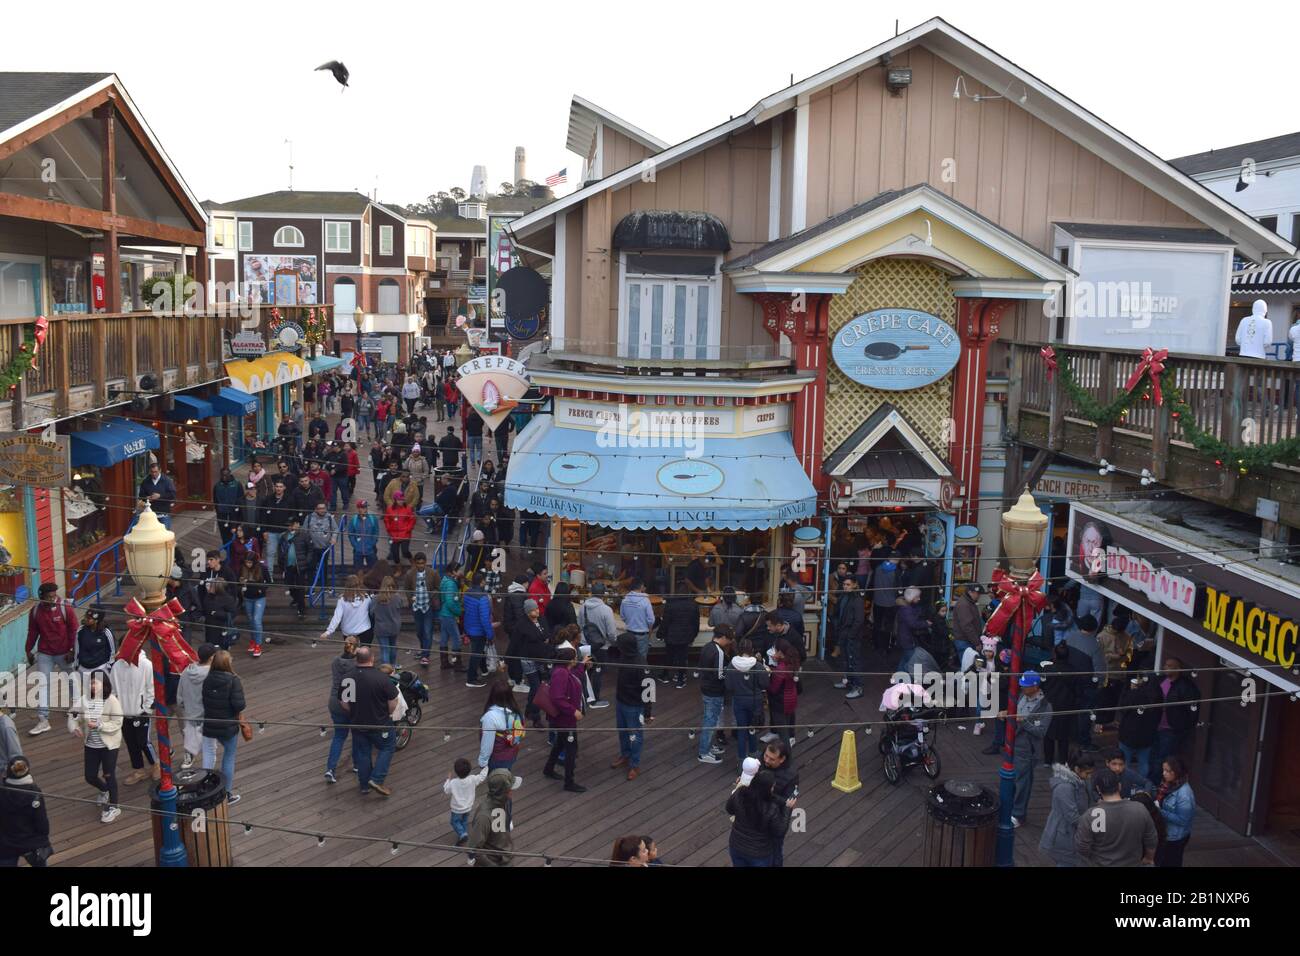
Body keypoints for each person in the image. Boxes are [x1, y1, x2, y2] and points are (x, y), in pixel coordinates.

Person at [67, 669, 123, 824]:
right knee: (89, 776)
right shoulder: (85, 700)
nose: (93, 685)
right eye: (91, 682)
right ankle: (104, 790)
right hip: (91, 745)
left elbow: (118, 722)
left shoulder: (112, 701)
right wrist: (74, 727)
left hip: (109, 745)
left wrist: (100, 725)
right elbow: (72, 715)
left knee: (109, 774)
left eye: (96, 682)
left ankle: (114, 806)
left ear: (104, 684)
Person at [342, 646, 398, 797]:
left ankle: (364, 785)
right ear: (372, 658)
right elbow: (393, 700)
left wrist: (354, 712)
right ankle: (377, 779)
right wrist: (388, 713)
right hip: (379, 722)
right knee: (388, 746)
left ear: (356, 659)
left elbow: (344, 703)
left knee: (363, 753)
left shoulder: (348, 678)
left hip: (357, 722)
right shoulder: (382, 678)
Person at [1074, 768, 1158, 867]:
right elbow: (1151, 839)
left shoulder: (1090, 816)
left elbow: (1082, 847)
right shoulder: (1140, 809)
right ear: (1119, 786)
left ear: (1098, 789)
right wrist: (1149, 858)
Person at [25, 582, 78, 735]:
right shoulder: (35, 612)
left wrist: (72, 650)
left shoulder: (65, 607)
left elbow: (74, 629)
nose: (52, 599)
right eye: (49, 597)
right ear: (41, 597)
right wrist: (28, 650)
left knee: (71, 678)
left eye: (54, 596)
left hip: (64, 652)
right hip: (45, 653)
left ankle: (75, 707)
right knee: (42, 683)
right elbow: (32, 632)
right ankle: (43, 719)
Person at [1007, 671, 1052, 827]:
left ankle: (1018, 814)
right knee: (1011, 779)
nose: (1022, 688)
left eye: (1025, 686)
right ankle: (1009, 808)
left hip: (1027, 750)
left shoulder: (1046, 707)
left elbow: (1041, 732)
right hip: (1013, 744)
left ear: (1035, 686)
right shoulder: (1020, 696)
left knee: (1023, 783)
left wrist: (1023, 721)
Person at [201, 650, 246, 804]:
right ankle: (226, 794)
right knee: (228, 757)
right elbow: (239, 705)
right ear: (227, 663)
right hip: (227, 726)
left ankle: (204, 787)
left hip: (209, 723)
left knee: (208, 754)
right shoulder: (233, 680)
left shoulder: (207, 679)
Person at [109, 643, 157, 786]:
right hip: (123, 714)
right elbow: (112, 690)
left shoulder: (146, 665)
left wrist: (146, 709)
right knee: (131, 743)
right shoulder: (117, 667)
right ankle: (139, 770)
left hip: (140, 712)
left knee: (144, 741)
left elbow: (151, 688)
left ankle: (156, 764)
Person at [541, 646, 587, 792]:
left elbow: (574, 676)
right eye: (574, 658)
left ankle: (548, 769)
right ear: (569, 660)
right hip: (565, 719)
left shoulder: (563, 670)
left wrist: (582, 665)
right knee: (571, 749)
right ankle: (569, 782)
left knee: (560, 744)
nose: (576, 660)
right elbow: (557, 697)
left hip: (563, 718)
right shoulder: (560, 673)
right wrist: (573, 711)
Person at [1039, 751, 1096, 866]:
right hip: (1064, 835)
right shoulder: (1064, 788)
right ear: (1076, 769)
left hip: (1073, 833)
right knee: (1067, 862)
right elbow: (1073, 817)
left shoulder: (1081, 780)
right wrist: (1092, 826)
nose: (1090, 777)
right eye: (1087, 773)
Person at [726, 768, 788, 867]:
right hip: (759, 853)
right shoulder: (771, 807)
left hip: (737, 846)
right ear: (768, 789)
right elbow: (779, 831)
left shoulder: (740, 793)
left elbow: (729, 809)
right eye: (772, 787)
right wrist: (787, 809)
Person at [1152, 657, 1199, 783]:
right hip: (1155, 725)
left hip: (1170, 730)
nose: (1166, 668)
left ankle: (1155, 784)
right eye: (1166, 665)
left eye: (1170, 666)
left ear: (1178, 669)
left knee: (1162, 759)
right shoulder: (1161, 680)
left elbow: (1192, 711)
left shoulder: (1186, 687)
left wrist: (1182, 727)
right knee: (1153, 755)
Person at [0, 755, 52, 866]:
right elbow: (41, 823)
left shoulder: (2, 792)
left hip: (6, 842)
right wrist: (43, 838)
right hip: (31, 842)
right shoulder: (34, 794)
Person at [727, 637, 770, 766]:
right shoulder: (757, 665)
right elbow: (764, 684)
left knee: (741, 730)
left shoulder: (731, 665)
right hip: (754, 700)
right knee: (752, 728)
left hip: (739, 700)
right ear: (751, 650)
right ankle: (754, 753)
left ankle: (741, 760)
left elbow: (728, 686)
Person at [323, 636, 359, 784]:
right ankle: (357, 764)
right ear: (356, 647)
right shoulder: (356, 666)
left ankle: (330, 769)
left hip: (334, 701)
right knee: (357, 735)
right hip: (351, 703)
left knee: (339, 736)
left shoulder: (336, 662)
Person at [697, 624, 733, 764]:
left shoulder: (706, 647)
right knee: (710, 721)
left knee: (709, 718)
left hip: (705, 688)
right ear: (723, 637)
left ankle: (707, 746)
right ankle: (703, 752)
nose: (729, 642)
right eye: (728, 639)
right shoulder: (719, 652)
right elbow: (720, 675)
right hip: (714, 691)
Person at [467, 768, 518, 867]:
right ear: (502, 791)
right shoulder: (483, 817)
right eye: (510, 789)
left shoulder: (504, 802)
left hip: (506, 858)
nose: (512, 791)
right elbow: (474, 849)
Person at [176, 643, 215, 771]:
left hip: (190, 712)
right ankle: (208, 772)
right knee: (209, 747)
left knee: (190, 738)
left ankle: (188, 757)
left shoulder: (187, 671)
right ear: (211, 658)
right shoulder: (212, 674)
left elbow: (180, 694)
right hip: (207, 714)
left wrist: (183, 706)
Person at [578, 583, 617, 705]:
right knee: (598, 672)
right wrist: (613, 642)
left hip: (584, 643)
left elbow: (580, 625)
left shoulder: (583, 607)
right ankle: (594, 699)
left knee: (585, 671)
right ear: (603, 594)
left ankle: (584, 696)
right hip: (601, 646)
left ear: (591, 593)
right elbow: (611, 632)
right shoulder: (606, 610)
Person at [762, 739, 799, 867]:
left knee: (775, 852)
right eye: (766, 755)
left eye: (772, 759)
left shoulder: (791, 776)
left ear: (782, 759)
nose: (766, 760)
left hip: (775, 819)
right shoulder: (759, 761)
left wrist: (767, 794)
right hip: (757, 814)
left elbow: (789, 802)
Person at [1155, 756, 1195, 867]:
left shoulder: (1184, 795)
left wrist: (1160, 811)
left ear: (1177, 772)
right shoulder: (1168, 784)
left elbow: (1183, 820)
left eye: (1168, 771)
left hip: (1175, 837)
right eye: (1163, 770)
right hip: (1166, 832)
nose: (1164, 773)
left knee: (1171, 862)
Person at [516, 599, 551, 727]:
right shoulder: (522, 625)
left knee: (539, 687)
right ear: (527, 612)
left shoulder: (542, 620)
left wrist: (543, 638)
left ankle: (529, 710)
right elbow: (517, 642)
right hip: (528, 659)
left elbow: (547, 634)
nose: (537, 610)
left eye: (536, 608)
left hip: (541, 657)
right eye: (533, 609)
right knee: (536, 687)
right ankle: (536, 717)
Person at [478, 680, 525, 772]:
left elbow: (487, 743)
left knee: (497, 783)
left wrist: (482, 761)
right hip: (512, 754)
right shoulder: (516, 712)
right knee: (505, 779)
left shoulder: (490, 717)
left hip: (497, 758)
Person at [832, 577, 866, 699]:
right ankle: (848, 681)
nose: (845, 586)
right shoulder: (845, 596)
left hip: (852, 636)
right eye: (844, 584)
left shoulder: (857, 600)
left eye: (848, 584)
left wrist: (851, 635)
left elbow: (859, 620)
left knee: (853, 661)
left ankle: (858, 687)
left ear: (855, 585)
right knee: (846, 659)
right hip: (844, 633)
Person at [402, 553, 439, 667]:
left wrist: (431, 595)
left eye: (422, 563)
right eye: (418, 563)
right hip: (416, 607)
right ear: (415, 563)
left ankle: (425, 656)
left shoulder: (433, 573)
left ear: (425, 562)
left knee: (427, 632)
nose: (420, 565)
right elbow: (407, 588)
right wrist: (410, 599)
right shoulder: (409, 574)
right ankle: (424, 650)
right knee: (419, 631)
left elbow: (438, 588)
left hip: (428, 607)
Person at [445, 758, 491, 846]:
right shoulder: (472, 779)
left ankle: (463, 834)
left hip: (457, 809)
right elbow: (481, 777)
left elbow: (446, 790)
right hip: (468, 807)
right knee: (464, 821)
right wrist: (486, 767)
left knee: (454, 822)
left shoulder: (454, 782)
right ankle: (464, 833)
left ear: (456, 771)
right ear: (469, 770)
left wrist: (448, 779)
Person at [462, 572, 494, 688]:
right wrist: (490, 634)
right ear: (482, 582)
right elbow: (485, 619)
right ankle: (471, 679)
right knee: (476, 653)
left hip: (469, 627)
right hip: (478, 630)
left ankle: (483, 670)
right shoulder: (483, 597)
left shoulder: (467, 593)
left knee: (477, 651)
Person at [661, 591, 699, 688]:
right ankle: (680, 680)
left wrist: (661, 634)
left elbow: (665, 622)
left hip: (671, 635)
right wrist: (693, 636)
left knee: (669, 656)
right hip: (686, 636)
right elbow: (696, 623)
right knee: (682, 658)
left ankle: (665, 676)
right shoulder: (693, 605)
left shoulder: (670, 605)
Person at [322, 575, 373, 646]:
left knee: (350, 655)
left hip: (348, 632)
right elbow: (372, 611)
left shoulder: (342, 600)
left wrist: (328, 631)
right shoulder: (366, 598)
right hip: (364, 630)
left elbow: (337, 617)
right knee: (364, 655)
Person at [768, 638, 800, 750]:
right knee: (789, 720)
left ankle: (786, 754)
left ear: (780, 653)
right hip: (792, 696)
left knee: (782, 730)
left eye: (775, 650)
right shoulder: (792, 661)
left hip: (781, 702)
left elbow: (773, 689)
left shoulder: (781, 669)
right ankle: (791, 738)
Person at [237, 551, 269, 658]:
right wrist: (241, 582)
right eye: (246, 562)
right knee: (250, 620)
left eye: (250, 562)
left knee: (256, 620)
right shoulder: (242, 568)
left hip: (259, 598)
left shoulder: (262, 568)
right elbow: (238, 581)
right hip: (247, 597)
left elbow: (268, 582)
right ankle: (253, 639)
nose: (248, 564)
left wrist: (261, 589)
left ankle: (258, 645)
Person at [278, 517, 310, 620]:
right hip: (288, 566)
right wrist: (281, 565)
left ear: (297, 524)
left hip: (300, 566)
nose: (290, 526)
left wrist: (306, 561)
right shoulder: (284, 536)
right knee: (290, 586)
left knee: (300, 588)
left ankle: (301, 610)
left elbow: (310, 549)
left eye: (292, 524)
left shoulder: (304, 535)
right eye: (289, 524)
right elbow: (280, 551)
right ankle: (296, 599)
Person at [372, 576, 404, 668]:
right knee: (393, 647)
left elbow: (371, 611)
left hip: (381, 628)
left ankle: (386, 669)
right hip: (394, 626)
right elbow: (400, 608)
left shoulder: (375, 599)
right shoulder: (397, 598)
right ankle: (393, 666)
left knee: (384, 649)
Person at [619, 578, 655, 662]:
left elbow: (622, 617)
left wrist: (630, 622)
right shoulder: (645, 601)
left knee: (629, 657)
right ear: (642, 586)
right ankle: (640, 674)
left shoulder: (625, 600)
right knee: (641, 658)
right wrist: (649, 629)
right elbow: (651, 619)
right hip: (642, 634)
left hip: (629, 633)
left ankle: (630, 674)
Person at [75, 605, 115, 676]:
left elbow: (112, 651)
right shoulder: (81, 630)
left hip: (100, 668)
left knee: (98, 687)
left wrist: (109, 666)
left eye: (89, 618)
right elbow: (77, 648)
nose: (85, 619)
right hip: (83, 668)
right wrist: (76, 663)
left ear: (96, 620)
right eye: (86, 617)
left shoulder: (106, 632)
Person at [438, 562, 465, 671]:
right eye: (459, 570)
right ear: (454, 572)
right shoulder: (451, 584)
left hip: (443, 613)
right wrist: (459, 612)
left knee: (444, 638)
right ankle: (457, 664)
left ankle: (444, 663)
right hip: (449, 615)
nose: (461, 572)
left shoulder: (445, 580)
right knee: (456, 639)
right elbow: (450, 602)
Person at [199, 578, 238, 650]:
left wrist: (217, 614)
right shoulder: (208, 596)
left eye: (211, 586)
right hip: (209, 627)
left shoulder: (228, 599)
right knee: (210, 647)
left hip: (221, 628)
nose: (209, 587)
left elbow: (233, 614)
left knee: (221, 649)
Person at [137, 461, 176, 529]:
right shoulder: (145, 481)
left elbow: (172, 495)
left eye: (156, 471)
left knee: (165, 535)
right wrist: (147, 498)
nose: (154, 474)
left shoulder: (167, 481)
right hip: (150, 514)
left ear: (160, 470)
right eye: (152, 472)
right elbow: (141, 495)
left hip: (163, 513)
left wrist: (160, 496)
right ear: (149, 471)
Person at [383, 491, 416, 566]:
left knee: (405, 551)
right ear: (395, 500)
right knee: (395, 553)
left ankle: (413, 563)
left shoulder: (407, 509)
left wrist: (408, 529)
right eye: (399, 500)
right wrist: (388, 528)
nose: (401, 501)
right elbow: (386, 519)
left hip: (405, 534)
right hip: (393, 534)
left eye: (402, 499)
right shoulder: (389, 509)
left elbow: (412, 519)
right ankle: (399, 568)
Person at [345, 500, 380, 573]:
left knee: (373, 571)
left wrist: (372, 543)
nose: (364, 509)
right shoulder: (353, 520)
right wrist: (355, 545)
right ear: (358, 508)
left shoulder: (373, 518)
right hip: (357, 551)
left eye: (365, 507)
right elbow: (351, 534)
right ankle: (360, 584)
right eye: (362, 507)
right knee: (358, 571)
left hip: (370, 550)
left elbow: (376, 532)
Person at [213, 468, 244, 546]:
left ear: (230, 474)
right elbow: (215, 500)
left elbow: (241, 499)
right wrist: (218, 511)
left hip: (234, 514)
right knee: (224, 534)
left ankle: (235, 554)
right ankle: (228, 554)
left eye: (226, 474)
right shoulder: (217, 486)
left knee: (235, 534)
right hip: (222, 514)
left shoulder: (237, 484)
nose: (224, 476)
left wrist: (240, 512)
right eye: (223, 475)